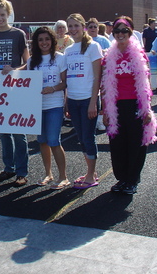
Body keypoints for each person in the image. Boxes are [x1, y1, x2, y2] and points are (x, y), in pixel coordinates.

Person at [102, 16, 157, 195]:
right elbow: (105, 84)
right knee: (117, 143)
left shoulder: (139, 54)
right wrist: (105, 109)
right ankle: (122, 178)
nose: (120, 34)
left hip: (135, 103)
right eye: (117, 31)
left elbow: (146, 83)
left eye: (124, 30)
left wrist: (147, 109)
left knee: (135, 143)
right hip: (115, 105)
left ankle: (132, 180)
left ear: (130, 32)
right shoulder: (108, 55)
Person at [0, 0, 30, 186]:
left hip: (16, 88)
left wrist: (15, 70)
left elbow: (28, 62)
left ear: (8, 14)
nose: (0, 18)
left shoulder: (18, 34)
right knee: (4, 132)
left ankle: (22, 171)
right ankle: (8, 168)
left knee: (19, 132)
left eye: (2, 15)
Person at [26, 26, 69, 189]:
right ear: (36, 43)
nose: (44, 42)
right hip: (37, 106)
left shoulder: (60, 58)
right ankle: (48, 174)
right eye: (40, 40)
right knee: (42, 141)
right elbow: (27, 83)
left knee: (53, 141)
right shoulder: (31, 61)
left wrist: (53, 88)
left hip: (54, 105)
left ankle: (63, 176)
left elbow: (65, 82)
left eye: (47, 39)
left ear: (52, 41)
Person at [64, 13, 102, 190]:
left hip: (88, 99)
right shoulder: (68, 50)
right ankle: (90, 172)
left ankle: (91, 175)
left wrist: (94, 102)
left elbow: (97, 77)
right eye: (70, 26)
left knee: (88, 137)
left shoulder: (93, 47)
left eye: (75, 26)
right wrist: (66, 101)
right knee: (81, 138)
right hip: (73, 100)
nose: (73, 30)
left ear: (83, 26)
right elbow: (68, 78)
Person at [86, 18, 111, 131]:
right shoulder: (84, 41)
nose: (92, 29)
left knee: (102, 95)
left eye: (94, 27)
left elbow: (111, 51)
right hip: (89, 72)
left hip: (103, 71)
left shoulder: (103, 40)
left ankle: (100, 120)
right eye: (90, 27)